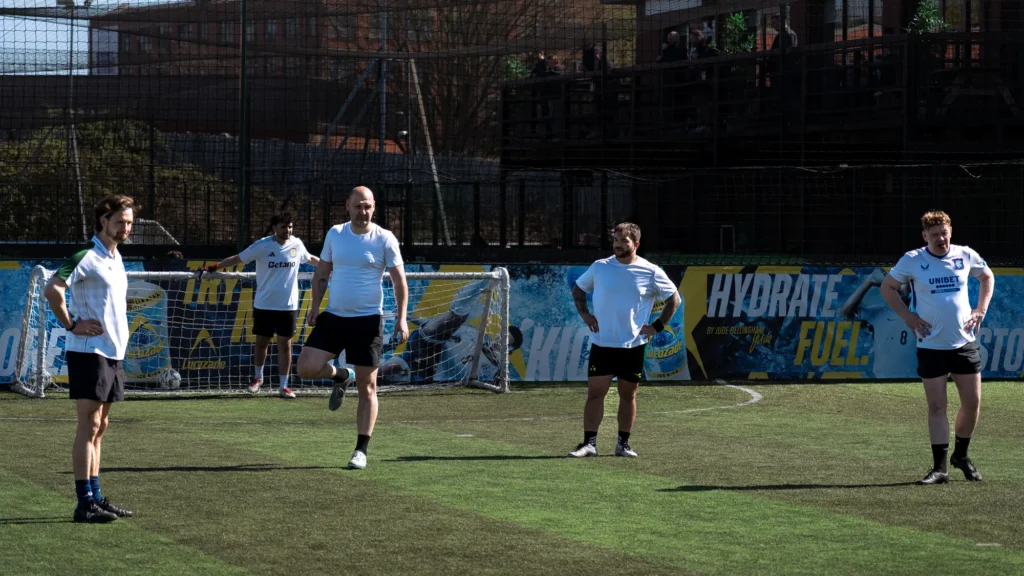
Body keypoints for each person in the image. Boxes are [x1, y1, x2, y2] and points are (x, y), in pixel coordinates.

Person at [297, 186, 409, 470]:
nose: (363, 211)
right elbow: (322, 274)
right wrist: (314, 308)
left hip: (368, 321)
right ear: (347, 205)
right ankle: (340, 375)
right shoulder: (335, 234)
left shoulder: (385, 239)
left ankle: (361, 450)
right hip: (334, 316)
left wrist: (401, 318)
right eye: (358, 206)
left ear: (374, 208)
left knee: (367, 387)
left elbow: (399, 282)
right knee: (306, 367)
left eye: (368, 206)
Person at [881, 210, 994, 485]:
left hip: (964, 343)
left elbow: (987, 277)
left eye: (944, 233)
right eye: (934, 235)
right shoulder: (912, 260)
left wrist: (980, 309)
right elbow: (888, 288)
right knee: (937, 406)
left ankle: (961, 456)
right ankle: (940, 468)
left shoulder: (965, 255)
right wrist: (908, 317)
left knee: (973, 403)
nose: (941, 239)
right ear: (924, 236)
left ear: (950, 231)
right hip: (931, 345)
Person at [44, 195, 138, 523]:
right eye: (120, 222)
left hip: (112, 352)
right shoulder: (86, 255)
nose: (125, 228)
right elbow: (53, 288)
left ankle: (96, 496)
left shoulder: (115, 256)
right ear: (103, 221)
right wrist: (71, 324)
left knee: (100, 426)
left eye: (128, 222)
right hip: (89, 352)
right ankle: (83, 503)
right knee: (87, 425)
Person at [568, 222, 681, 458]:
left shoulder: (651, 271)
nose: (618, 245)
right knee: (595, 393)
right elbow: (578, 290)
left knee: (628, 395)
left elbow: (674, 300)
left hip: (633, 346)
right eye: (615, 241)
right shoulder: (600, 267)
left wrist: (656, 327)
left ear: (636, 244)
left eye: (624, 241)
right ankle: (589, 444)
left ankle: (623, 444)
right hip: (603, 344)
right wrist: (585, 315)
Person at [202, 212, 319, 398]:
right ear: (274, 228)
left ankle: (284, 386)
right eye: (283, 227)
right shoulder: (262, 245)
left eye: (290, 227)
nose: (287, 230)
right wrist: (214, 267)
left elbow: (311, 259)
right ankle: (258, 378)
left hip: (288, 307)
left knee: (285, 344)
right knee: (261, 342)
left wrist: (333, 268)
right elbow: (238, 258)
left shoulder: (297, 244)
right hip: (264, 305)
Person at [838, 268, 917, 378]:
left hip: (914, 379)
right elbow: (845, 314)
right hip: (882, 379)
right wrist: (868, 282)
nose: (897, 286)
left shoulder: (923, 314)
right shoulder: (879, 312)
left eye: (902, 282)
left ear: (912, 288)